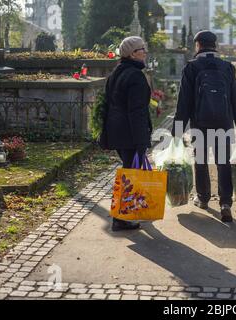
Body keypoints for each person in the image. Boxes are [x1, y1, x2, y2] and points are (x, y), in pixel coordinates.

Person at [171, 30, 236, 223]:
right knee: (223, 161)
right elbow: (235, 100)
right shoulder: (227, 67)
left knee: (201, 160)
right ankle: (225, 203)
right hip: (224, 122)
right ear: (215, 45)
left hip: (200, 123)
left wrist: (177, 132)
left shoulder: (192, 67)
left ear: (198, 45)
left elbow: (184, 102)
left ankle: (203, 198)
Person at [104, 36, 153, 231]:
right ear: (133, 53)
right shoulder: (135, 76)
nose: (145, 52)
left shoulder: (117, 72)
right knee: (130, 175)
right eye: (143, 49)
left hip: (117, 132)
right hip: (130, 134)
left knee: (128, 173)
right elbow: (137, 111)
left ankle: (123, 215)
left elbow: (108, 105)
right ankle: (120, 219)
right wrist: (142, 141)